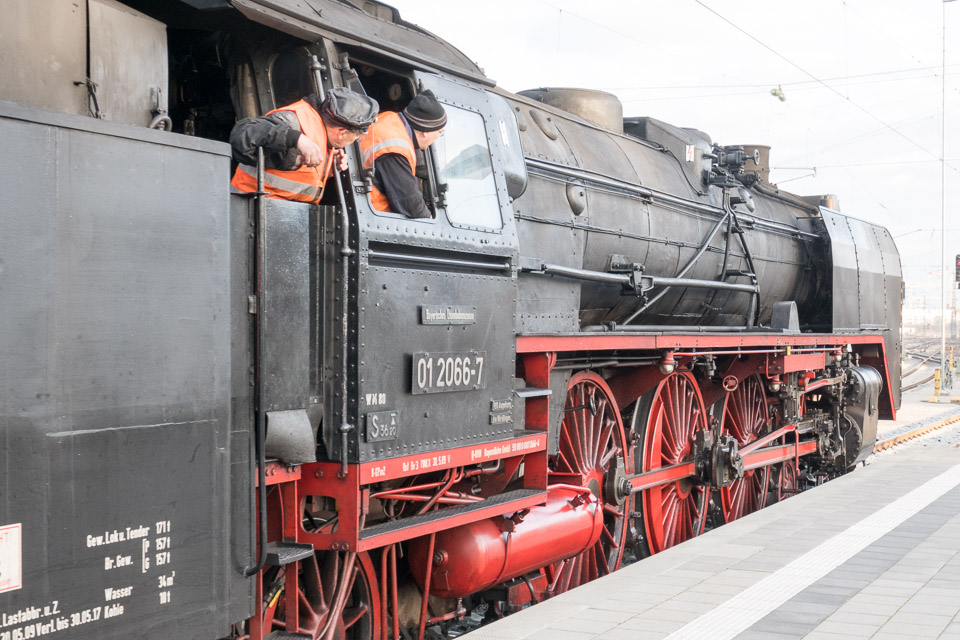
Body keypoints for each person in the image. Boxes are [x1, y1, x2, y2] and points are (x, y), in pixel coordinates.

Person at [230, 87, 379, 204]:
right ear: (342, 132)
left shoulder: (322, 134)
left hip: (277, 213)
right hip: (247, 209)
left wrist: (328, 169)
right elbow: (241, 136)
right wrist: (296, 139)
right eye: (357, 137)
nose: (356, 140)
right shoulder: (294, 122)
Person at [359, 90, 447, 219]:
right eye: (439, 132)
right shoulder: (395, 150)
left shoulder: (390, 119)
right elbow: (411, 204)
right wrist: (431, 220)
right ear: (425, 132)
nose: (437, 138)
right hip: (373, 217)